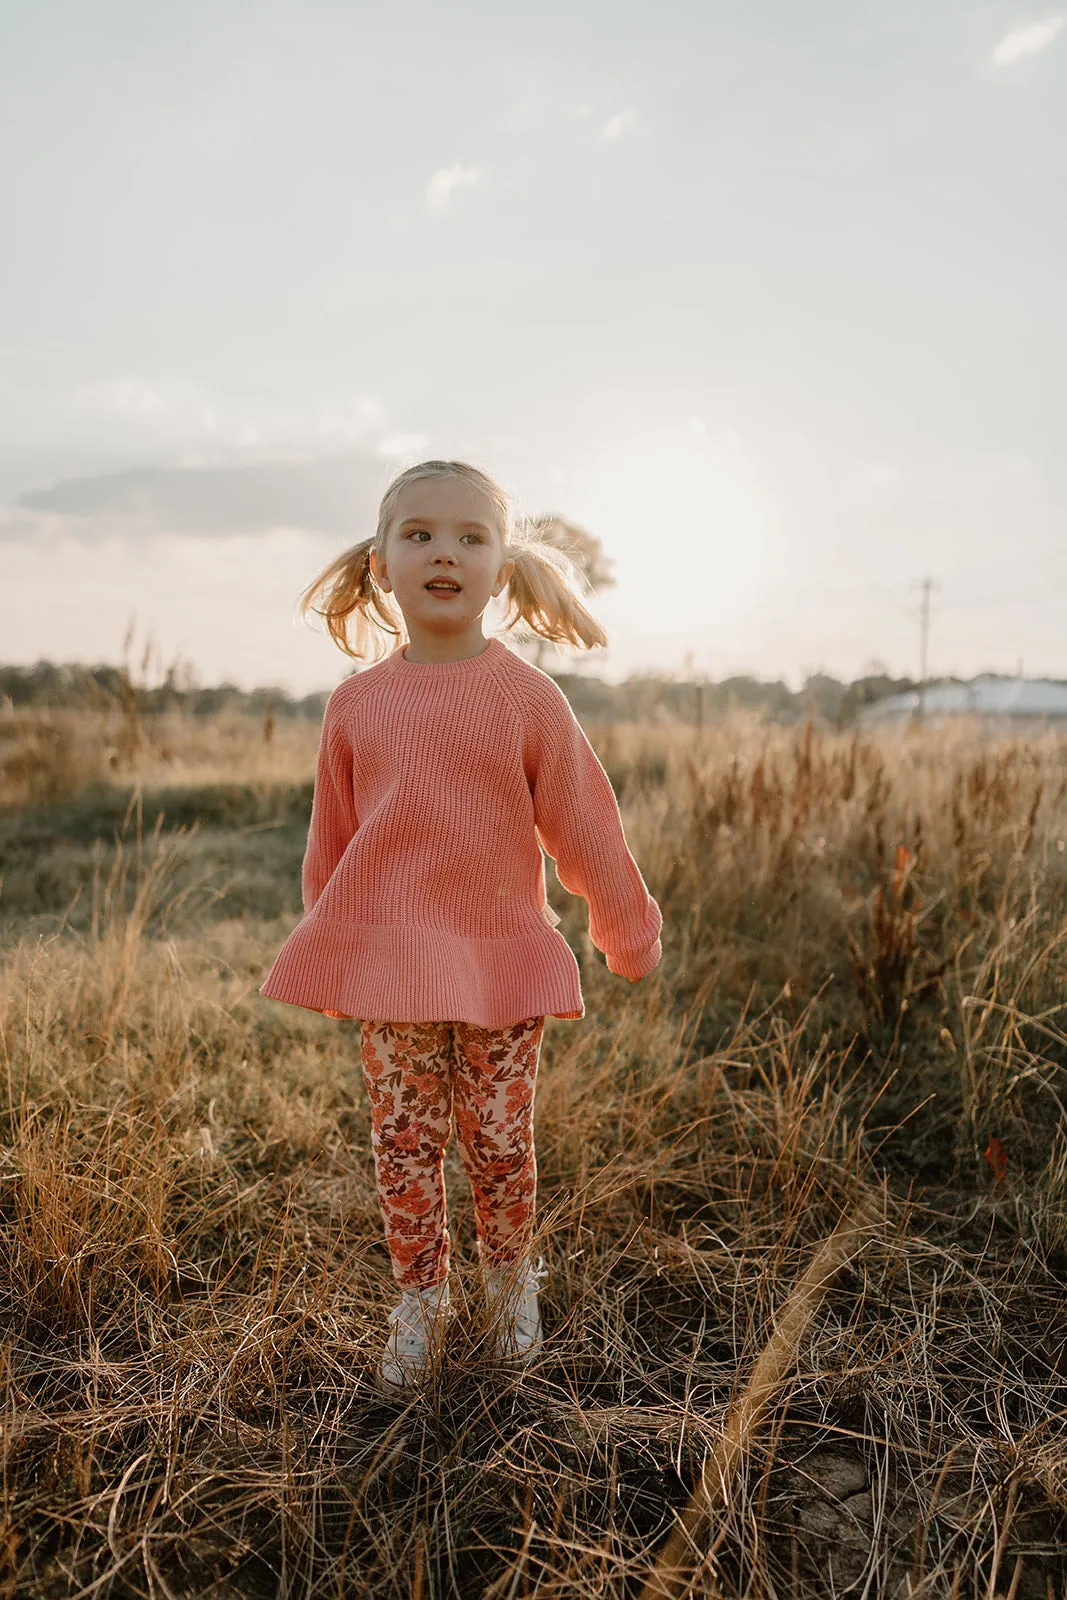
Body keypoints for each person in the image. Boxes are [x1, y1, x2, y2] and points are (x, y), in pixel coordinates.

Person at [259, 459, 663, 1390]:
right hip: (392, 970)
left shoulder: (526, 699)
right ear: (381, 564)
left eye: (471, 537)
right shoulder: (357, 704)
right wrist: (331, 953)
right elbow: (334, 839)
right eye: (422, 534)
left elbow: (584, 824)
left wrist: (625, 928)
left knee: (496, 1138)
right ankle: (419, 1300)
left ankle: (510, 1281)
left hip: (499, 965)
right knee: (401, 1142)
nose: (446, 552)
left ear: (500, 570)